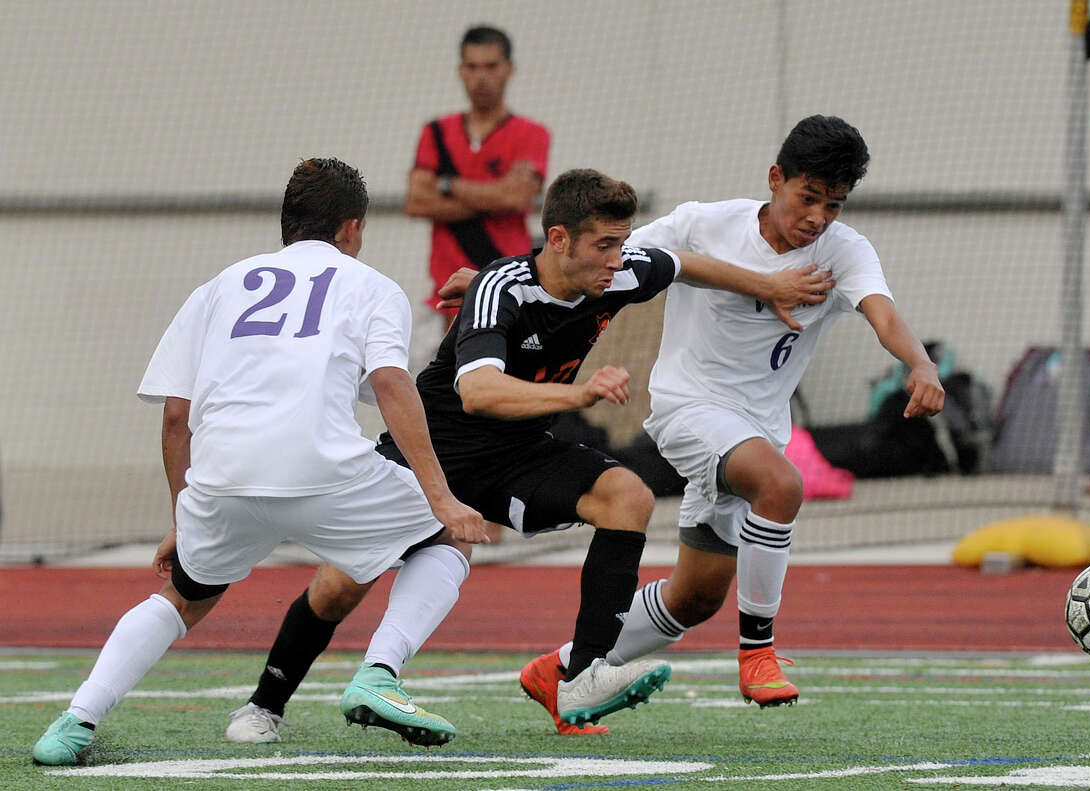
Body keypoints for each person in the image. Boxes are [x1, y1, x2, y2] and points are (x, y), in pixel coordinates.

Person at [222, 168, 835, 742]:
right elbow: (479, 391)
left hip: (517, 453)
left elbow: (682, 265)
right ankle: (264, 705)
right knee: (340, 585)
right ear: (560, 238)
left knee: (628, 496)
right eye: (604, 246)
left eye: (622, 244)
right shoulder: (500, 289)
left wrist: (770, 285)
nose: (618, 261)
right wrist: (579, 392)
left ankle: (584, 674)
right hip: (436, 450)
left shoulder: (618, 272)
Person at [31, 158, 488, 766]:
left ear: (287, 224)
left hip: (221, 478)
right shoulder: (372, 286)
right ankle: (379, 673)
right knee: (444, 540)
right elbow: (389, 383)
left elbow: (175, 415)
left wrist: (183, 520)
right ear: (351, 228)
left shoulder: (218, 287)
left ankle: (74, 721)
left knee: (183, 598)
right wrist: (441, 499)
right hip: (323, 470)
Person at [595, 114, 946, 707]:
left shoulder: (844, 251)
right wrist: (496, 281)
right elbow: (600, 259)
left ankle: (567, 666)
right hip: (688, 409)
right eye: (808, 198)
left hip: (756, 431)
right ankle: (758, 653)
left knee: (694, 599)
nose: (817, 218)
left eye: (833, 206)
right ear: (776, 178)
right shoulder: (704, 224)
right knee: (782, 485)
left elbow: (882, 313)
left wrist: (922, 365)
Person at [405, 24, 550, 333]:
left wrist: (446, 185)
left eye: (490, 66)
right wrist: (494, 196)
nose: (480, 77)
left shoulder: (531, 134)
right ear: (460, 70)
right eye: (472, 67)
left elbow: (516, 198)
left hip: (508, 288)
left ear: (509, 69)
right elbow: (416, 201)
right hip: (444, 295)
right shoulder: (436, 132)